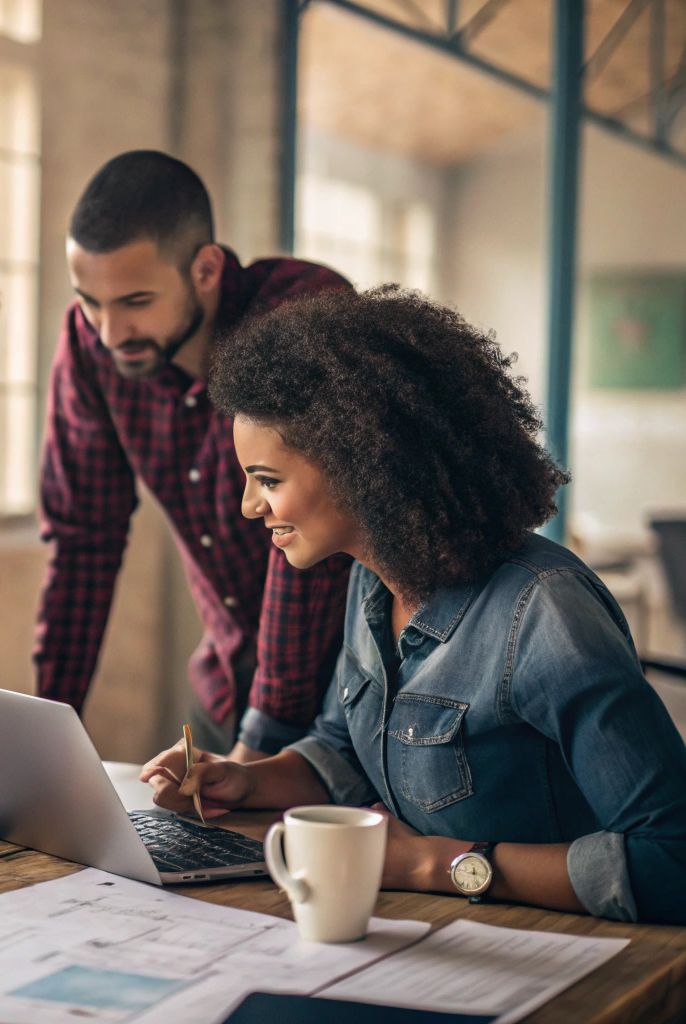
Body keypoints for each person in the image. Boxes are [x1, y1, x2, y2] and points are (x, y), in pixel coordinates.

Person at [142, 286, 686, 924]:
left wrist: (430, 863)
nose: (248, 506)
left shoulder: (544, 615)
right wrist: (247, 781)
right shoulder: (373, 584)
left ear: (359, 464)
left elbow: (671, 858)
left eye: (268, 480)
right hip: (436, 933)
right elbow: (344, 749)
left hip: (567, 956)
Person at [36, 150, 353, 758]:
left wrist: (267, 734)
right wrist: (49, 730)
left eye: (135, 302)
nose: (108, 332)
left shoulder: (301, 310)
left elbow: (299, 523)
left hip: (346, 695)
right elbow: (82, 539)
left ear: (206, 269)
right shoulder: (93, 345)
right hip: (223, 691)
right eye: (89, 301)